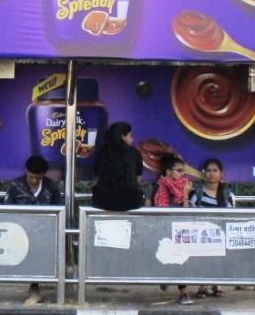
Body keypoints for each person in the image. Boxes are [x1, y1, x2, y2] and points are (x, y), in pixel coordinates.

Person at [5, 155, 63, 304]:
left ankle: (36, 286)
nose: (34, 180)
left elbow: (60, 209)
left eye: (38, 178)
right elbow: (7, 210)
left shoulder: (51, 186)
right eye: (31, 177)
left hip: (45, 232)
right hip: (21, 231)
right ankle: (33, 286)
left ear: (44, 175)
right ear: (26, 172)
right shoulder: (15, 186)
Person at [190, 157, 234, 298]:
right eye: (208, 171)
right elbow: (191, 216)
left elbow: (231, 217)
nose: (211, 174)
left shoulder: (228, 195)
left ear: (221, 173)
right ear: (204, 173)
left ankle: (217, 284)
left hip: (220, 234)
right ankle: (202, 285)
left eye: (215, 170)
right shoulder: (197, 193)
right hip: (200, 235)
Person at [153, 153, 195, 304]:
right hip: (159, 228)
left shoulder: (185, 187)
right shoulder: (156, 186)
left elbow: (186, 212)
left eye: (183, 171)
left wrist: (185, 195)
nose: (182, 174)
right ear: (169, 171)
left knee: (180, 256)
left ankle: (183, 292)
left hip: (177, 228)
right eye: (179, 170)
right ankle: (165, 276)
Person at [90, 122, 144, 211]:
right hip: (130, 202)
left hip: (103, 202)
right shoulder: (135, 154)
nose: (132, 139)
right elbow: (138, 179)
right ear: (123, 137)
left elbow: (98, 177)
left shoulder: (102, 153)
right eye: (130, 136)